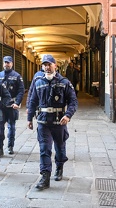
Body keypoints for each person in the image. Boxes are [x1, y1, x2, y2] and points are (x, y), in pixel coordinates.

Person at [27, 54, 78, 190]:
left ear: (55, 65)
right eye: (44, 65)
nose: (47, 67)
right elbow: (33, 101)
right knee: (44, 149)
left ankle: (59, 167)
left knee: (60, 148)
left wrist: (68, 115)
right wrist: (29, 118)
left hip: (59, 122)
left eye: (49, 64)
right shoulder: (39, 82)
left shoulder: (64, 82)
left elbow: (73, 102)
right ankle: (45, 176)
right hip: (43, 121)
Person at [0, 56, 25, 156]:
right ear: (3, 63)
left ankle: (10, 146)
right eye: (5, 62)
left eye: (8, 63)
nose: (6, 64)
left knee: (11, 126)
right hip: (1, 106)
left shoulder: (17, 76)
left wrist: (18, 102)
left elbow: (21, 91)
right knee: (0, 127)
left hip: (12, 105)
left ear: (12, 64)